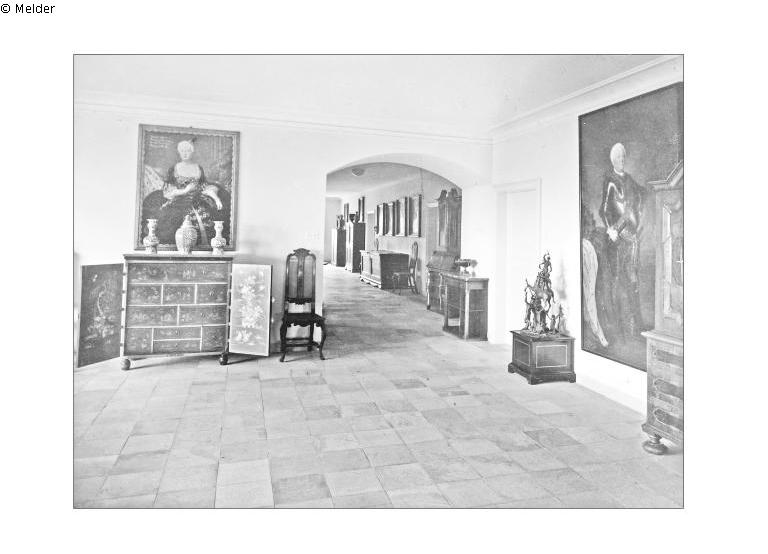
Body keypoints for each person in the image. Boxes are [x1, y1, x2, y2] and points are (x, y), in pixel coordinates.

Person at [142, 139, 230, 246]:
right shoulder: (174, 168)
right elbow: (168, 189)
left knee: (210, 222)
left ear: (192, 152)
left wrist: (216, 199)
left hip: (198, 200)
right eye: (182, 151)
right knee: (170, 225)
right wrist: (185, 191)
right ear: (179, 152)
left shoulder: (198, 168)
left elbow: (204, 186)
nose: (185, 153)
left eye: (187, 151)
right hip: (178, 201)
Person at [598, 142, 644, 337]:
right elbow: (604, 209)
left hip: (632, 238)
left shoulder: (630, 180)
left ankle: (635, 325)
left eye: (623, 156)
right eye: (618, 157)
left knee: (632, 279)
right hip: (617, 239)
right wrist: (611, 229)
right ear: (613, 160)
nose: (622, 160)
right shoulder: (609, 180)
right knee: (617, 280)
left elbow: (639, 197)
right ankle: (618, 326)